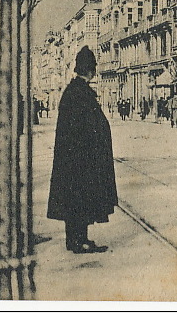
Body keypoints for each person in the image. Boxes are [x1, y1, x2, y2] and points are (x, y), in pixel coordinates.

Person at [47, 46, 118, 254]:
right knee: (81, 199)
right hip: (82, 159)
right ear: (91, 70)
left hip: (73, 158)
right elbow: (87, 127)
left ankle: (76, 239)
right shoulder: (81, 93)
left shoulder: (73, 91)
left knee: (75, 200)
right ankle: (79, 241)